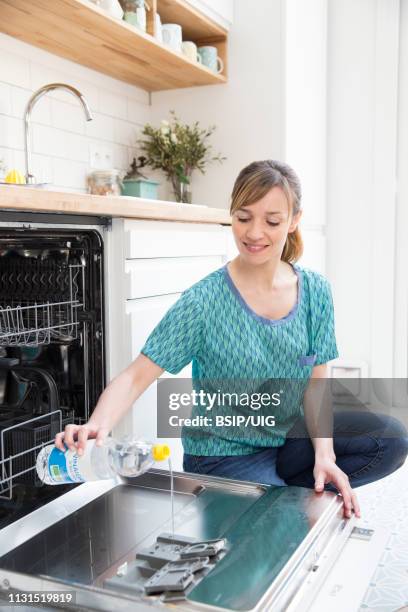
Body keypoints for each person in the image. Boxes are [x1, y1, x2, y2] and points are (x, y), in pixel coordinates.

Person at [55, 160, 408, 520]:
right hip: (224, 454)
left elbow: (317, 386)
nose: (255, 233)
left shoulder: (315, 291)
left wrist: (325, 456)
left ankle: (284, 496)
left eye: (271, 221)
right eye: (243, 218)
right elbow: (136, 375)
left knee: (392, 440)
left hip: (289, 441)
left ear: (294, 220)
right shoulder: (204, 302)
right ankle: (274, 507)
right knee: (280, 533)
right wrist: (96, 424)